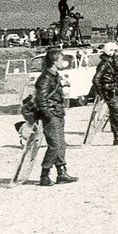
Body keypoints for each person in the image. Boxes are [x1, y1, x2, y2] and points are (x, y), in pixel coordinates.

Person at [32, 47, 77, 185]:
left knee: (61, 144)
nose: (63, 61)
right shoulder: (45, 78)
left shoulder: (53, 75)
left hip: (57, 113)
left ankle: (61, 172)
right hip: (52, 115)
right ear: (54, 61)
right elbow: (41, 99)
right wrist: (49, 114)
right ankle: (44, 175)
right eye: (61, 59)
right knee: (55, 145)